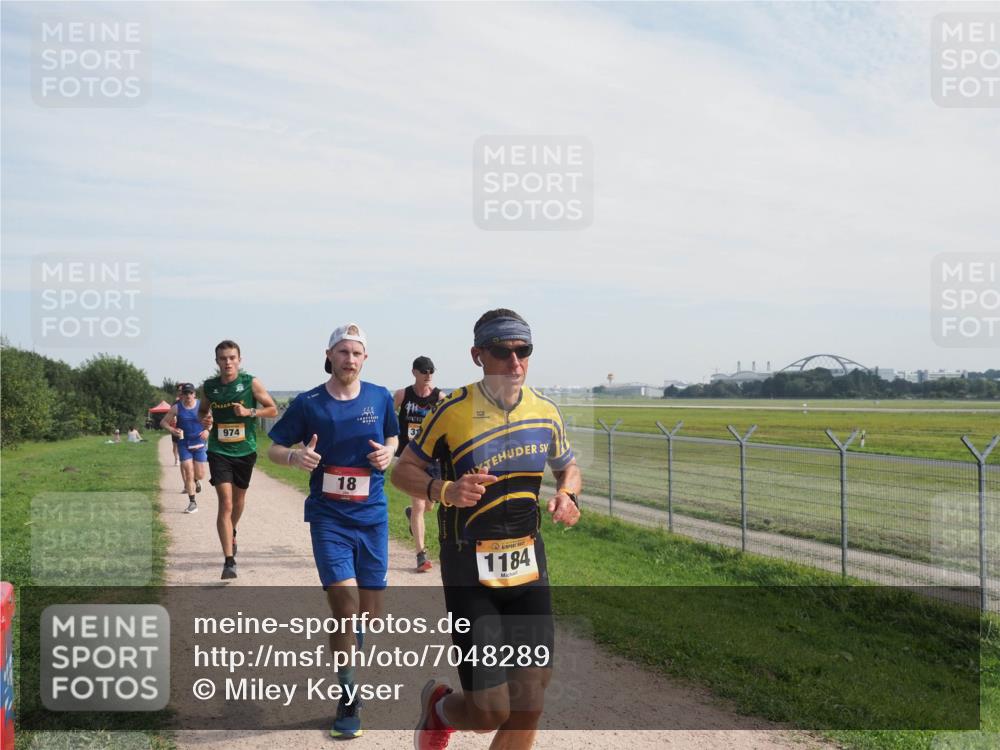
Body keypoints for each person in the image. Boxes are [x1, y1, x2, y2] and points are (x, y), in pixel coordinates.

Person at [391, 308, 581, 750]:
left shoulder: (546, 411)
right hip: (468, 566)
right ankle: (440, 707)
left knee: (530, 701)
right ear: (479, 355)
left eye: (524, 351)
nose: (515, 363)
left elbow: (568, 466)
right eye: (503, 351)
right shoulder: (451, 410)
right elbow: (403, 472)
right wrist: (444, 489)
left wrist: (569, 496)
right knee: (490, 710)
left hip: (528, 563)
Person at [266, 324, 399, 739]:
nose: (350, 359)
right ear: (329, 355)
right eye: (343, 352)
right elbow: (272, 448)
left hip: (372, 515)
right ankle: (348, 694)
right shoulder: (309, 403)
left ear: (365, 358)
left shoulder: (380, 397)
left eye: (357, 353)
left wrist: (388, 454)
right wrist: (293, 458)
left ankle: (348, 658)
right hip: (328, 518)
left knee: (370, 615)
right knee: (344, 603)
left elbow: (394, 437)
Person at [198, 340, 278, 580]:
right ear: (217, 362)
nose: (228, 362)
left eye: (232, 358)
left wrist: (249, 412)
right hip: (218, 450)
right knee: (226, 502)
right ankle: (229, 561)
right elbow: (202, 411)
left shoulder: (250, 383)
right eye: (223, 358)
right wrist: (205, 419)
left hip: (245, 450)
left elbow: (272, 409)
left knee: (239, 499)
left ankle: (232, 530)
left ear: (239, 360)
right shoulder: (209, 387)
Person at [394, 355, 446, 572]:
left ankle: (412, 515)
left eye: (431, 371)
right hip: (411, 458)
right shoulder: (402, 395)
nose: (428, 375)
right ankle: (421, 555)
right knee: (419, 505)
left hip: (433, 458)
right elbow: (386, 416)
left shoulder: (440, 397)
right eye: (424, 371)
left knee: (430, 504)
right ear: (414, 372)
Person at [160, 383, 209, 514]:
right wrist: (172, 429)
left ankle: (196, 481)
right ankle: (192, 502)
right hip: (184, 443)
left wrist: (207, 431)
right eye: (185, 393)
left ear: (194, 394)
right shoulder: (176, 408)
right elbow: (163, 422)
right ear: (182, 395)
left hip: (199, 443)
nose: (188, 396)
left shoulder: (201, 406)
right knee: (188, 471)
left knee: (200, 474)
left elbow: (212, 421)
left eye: (190, 393)